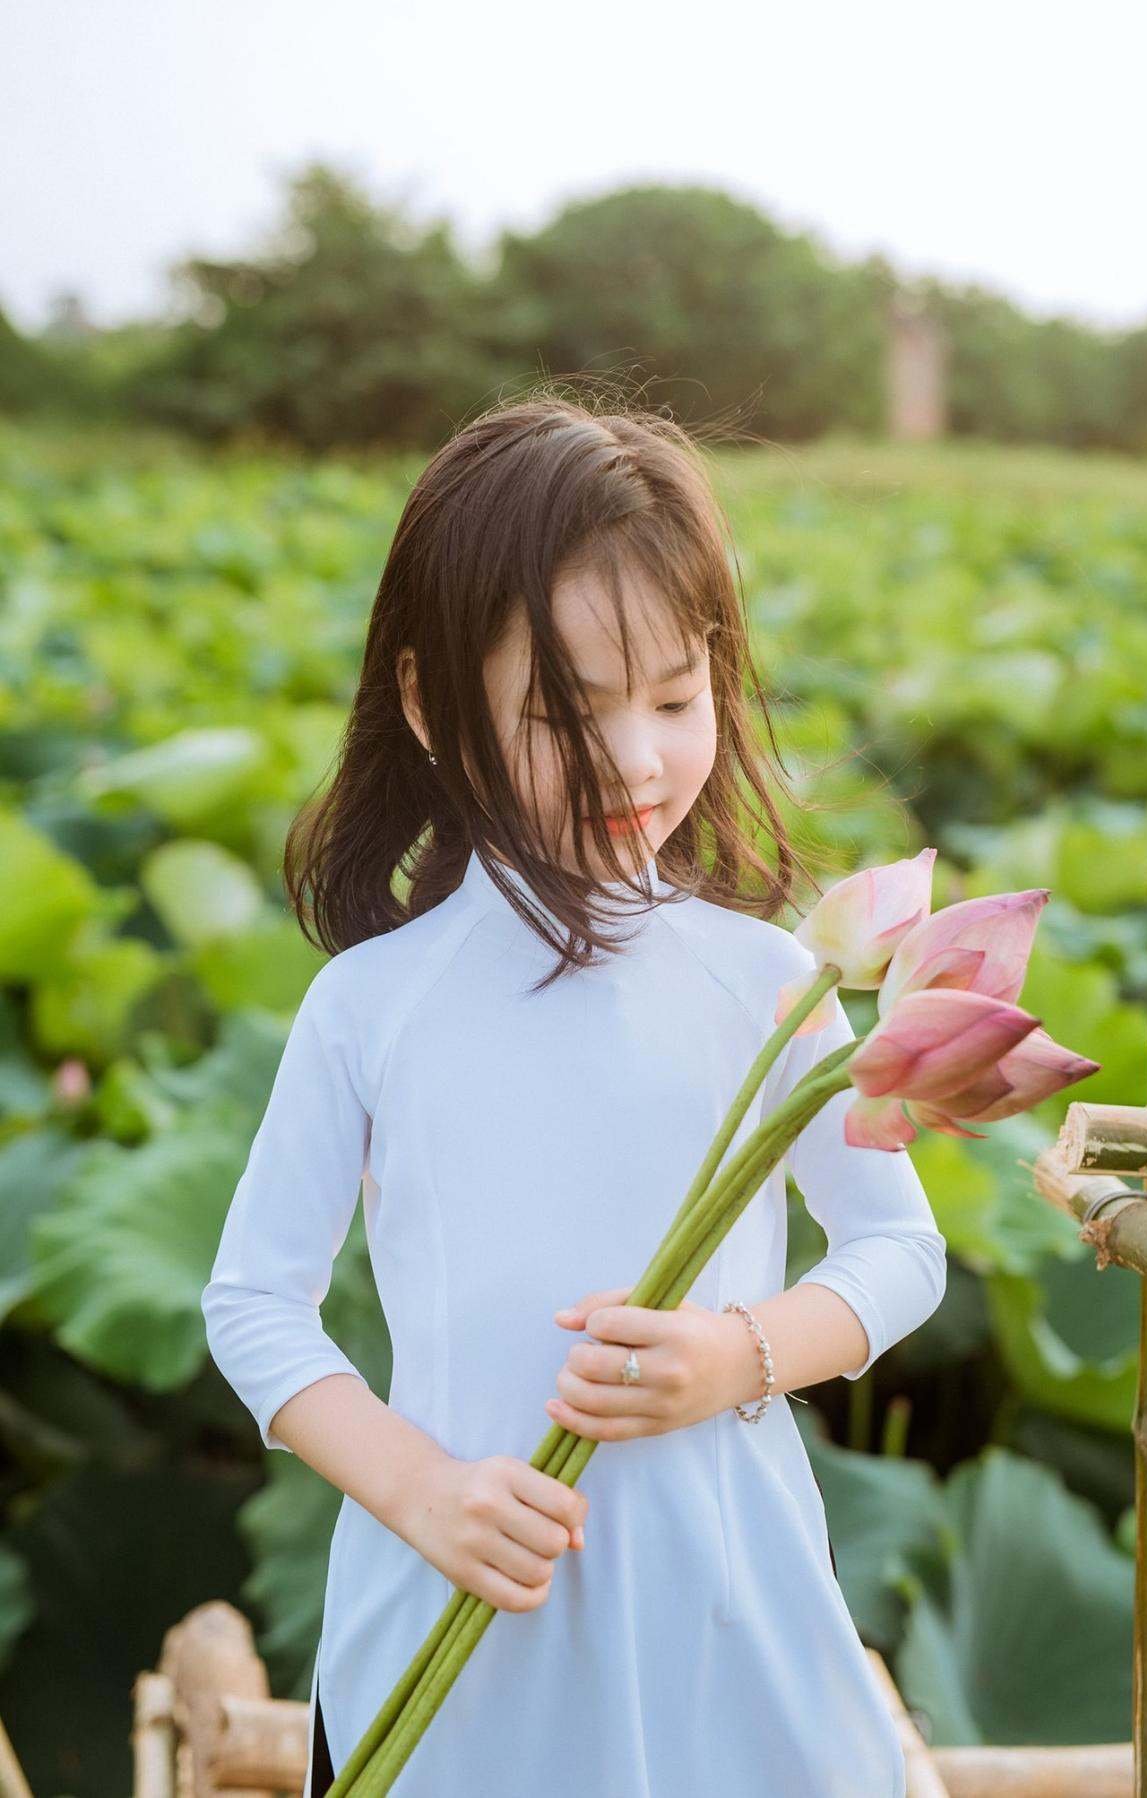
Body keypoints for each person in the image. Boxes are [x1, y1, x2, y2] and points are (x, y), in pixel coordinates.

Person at [201, 393, 948, 1797]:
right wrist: (422, 1490)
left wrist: (742, 1353)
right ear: (429, 703)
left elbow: (902, 1251)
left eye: (675, 699)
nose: (637, 758)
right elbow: (252, 1303)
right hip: (467, 1587)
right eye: (565, 712)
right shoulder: (372, 1002)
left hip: (723, 1580)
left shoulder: (772, 978)